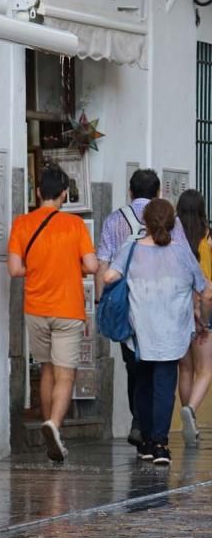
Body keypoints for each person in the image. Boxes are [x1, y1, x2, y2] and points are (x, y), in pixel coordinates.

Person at [104, 199, 212, 465]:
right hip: (173, 333)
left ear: (145, 223)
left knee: (143, 385)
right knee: (165, 387)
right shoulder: (182, 253)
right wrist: (203, 321)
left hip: (140, 333)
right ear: (172, 223)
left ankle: (147, 443)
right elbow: (206, 291)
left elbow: (108, 277)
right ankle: (161, 445)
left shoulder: (131, 249)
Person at [7, 164, 98, 462]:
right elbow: (92, 265)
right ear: (64, 194)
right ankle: (54, 426)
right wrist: (75, 266)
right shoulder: (74, 226)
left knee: (46, 367)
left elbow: (15, 269)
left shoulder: (22, 223)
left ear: (37, 193)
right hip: (68, 308)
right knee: (66, 373)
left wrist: (39, 267)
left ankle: (50, 430)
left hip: (36, 308)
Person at [95, 168, 185, 447]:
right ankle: (149, 431)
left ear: (130, 192)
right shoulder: (172, 221)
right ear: (158, 193)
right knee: (160, 371)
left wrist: (102, 303)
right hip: (165, 306)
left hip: (128, 306)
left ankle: (139, 421)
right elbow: (181, 259)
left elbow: (102, 264)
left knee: (135, 366)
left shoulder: (114, 220)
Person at [176, 189, 212, 447]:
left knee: (185, 368)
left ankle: (190, 419)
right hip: (200, 312)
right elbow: (206, 287)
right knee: (206, 370)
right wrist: (205, 320)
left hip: (177, 312)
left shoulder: (172, 240)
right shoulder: (205, 241)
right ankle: (190, 410)